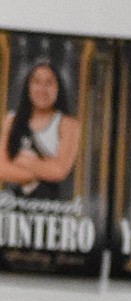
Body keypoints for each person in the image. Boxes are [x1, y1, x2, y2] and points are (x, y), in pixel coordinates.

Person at [0, 61, 80, 199]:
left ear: (58, 88)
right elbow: (2, 167)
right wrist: (41, 170)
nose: (42, 89)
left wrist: (24, 162)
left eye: (49, 83)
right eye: (37, 82)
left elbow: (59, 171)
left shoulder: (69, 124)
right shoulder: (11, 120)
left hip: (54, 208)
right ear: (28, 87)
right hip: (14, 208)